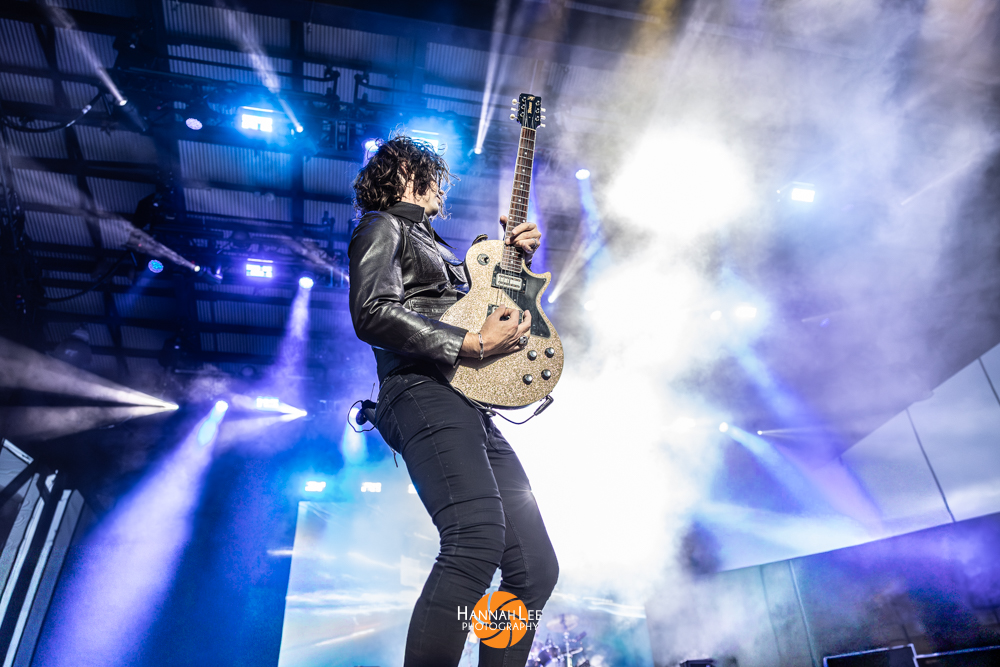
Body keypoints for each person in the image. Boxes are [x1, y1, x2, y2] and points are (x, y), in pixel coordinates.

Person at [348, 136, 559, 667]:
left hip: (469, 400)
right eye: (434, 175)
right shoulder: (382, 226)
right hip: (420, 389)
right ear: (404, 170)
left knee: (534, 567)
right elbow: (371, 311)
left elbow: (484, 309)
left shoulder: (440, 246)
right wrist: (471, 343)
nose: (443, 187)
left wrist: (515, 260)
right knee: (474, 537)